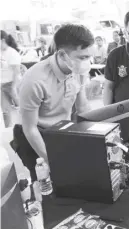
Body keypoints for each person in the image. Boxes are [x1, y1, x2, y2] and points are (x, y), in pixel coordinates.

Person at [17, 24, 93, 181]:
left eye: (88, 57)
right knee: (47, 185)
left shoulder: (77, 71)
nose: (87, 62)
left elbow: (83, 107)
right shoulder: (35, 80)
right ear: (62, 55)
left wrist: (98, 134)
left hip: (62, 131)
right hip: (36, 136)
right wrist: (50, 160)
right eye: (82, 57)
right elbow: (29, 128)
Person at [1, 30, 21, 127]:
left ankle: (25, 127)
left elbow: (16, 72)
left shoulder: (12, 53)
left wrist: (13, 87)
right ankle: (8, 130)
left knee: (22, 107)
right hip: (2, 85)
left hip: (13, 83)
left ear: (2, 40)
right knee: (5, 111)